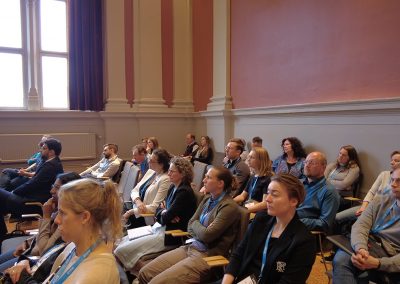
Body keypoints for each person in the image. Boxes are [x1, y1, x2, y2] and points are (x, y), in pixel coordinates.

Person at [138, 166, 240, 284]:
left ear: (220, 183)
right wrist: (200, 228)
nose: (203, 180)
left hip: (206, 256)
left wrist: (197, 227)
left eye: (208, 177)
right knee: (144, 273)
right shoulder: (208, 200)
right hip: (190, 246)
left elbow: (207, 235)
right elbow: (190, 224)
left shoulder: (229, 207)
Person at [18, 178, 122, 283]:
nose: (57, 220)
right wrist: (25, 264)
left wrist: (24, 279)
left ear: (84, 217)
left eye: (62, 213)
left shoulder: (95, 275)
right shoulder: (73, 246)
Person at [221, 173, 316, 284]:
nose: (268, 199)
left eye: (275, 195)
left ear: (293, 201)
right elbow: (238, 254)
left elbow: (289, 281)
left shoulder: (304, 241)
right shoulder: (261, 219)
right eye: (268, 192)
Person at [114, 157, 197, 271]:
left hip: (170, 234)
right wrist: (163, 211)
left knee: (120, 250)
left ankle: (127, 277)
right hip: (158, 227)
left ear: (182, 174)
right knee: (120, 242)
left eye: (172, 171)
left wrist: (164, 213)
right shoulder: (173, 187)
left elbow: (164, 218)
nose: (169, 173)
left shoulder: (184, 192)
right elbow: (159, 209)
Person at [0, 172, 81, 275]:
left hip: (34, 259)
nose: (51, 191)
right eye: (53, 186)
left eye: (57, 188)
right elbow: (42, 235)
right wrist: (27, 242)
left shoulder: (66, 221)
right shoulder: (55, 210)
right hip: (30, 249)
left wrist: (46, 217)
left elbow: (44, 251)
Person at [332, 167, 400, 283]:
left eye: (399, 181)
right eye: (392, 180)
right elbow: (360, 225)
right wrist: (361, 248)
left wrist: (378, 264)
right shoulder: (381, 200)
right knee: (341, 260)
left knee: (361, 274)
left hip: (391, 253)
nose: (393, 184)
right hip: (370, 244)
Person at [0, 138, 64, 240]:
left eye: (44, 148)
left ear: (51, 152)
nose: (40, 150)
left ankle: (2, 236)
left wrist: (13, 192)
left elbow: (32, 184)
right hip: (31, 197)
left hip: (32, 203)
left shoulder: (50, 167)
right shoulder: (50, 162)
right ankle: (3, 235)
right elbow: (33, 182)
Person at [335, 150, 400, 230]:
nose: (392, 162)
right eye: (392, 160)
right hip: (368, 207)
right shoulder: (384, 174)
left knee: (359, 226)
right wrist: (363, 207)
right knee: (337, 218)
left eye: (396, 161)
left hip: (382, 214)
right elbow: (371, 192)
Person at [124, 149, 171, 228]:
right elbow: (134, 190)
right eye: (149, 159)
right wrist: (137, 200)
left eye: (152, 161)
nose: (148, 162)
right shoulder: (151, 172)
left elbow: (154, 207)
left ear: (161, 164)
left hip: (145, 217)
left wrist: (131, 212)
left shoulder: (165, 179)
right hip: (135, 206)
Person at [297, 152, 340, 233]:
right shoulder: (298, 184)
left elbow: (325, 223)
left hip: (303, 231)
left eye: (312, 162)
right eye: (306, 162)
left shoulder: (329, 191)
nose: (307, 165)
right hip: (286, 222)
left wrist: (296, 222)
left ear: (323, 167)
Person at [234, 147, 273, 213]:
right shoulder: (253, 176)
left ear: (261, 160)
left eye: (252, 157)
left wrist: (244, 210)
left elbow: (264, 204)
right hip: (249, 208)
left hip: (258, 213)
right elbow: (242, 196)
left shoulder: (267, 179)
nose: (248, 159)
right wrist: (231, 202)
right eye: (248, 157)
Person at [325, 145, 361, 211]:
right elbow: (323, 179)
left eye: (344, 155)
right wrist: (339, 184)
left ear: (350, 157)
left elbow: (344, 185)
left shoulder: (354, 168)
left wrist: (329, 180)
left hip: (344, 197)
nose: (340, 156)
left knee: (326, 203)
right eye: (340, 153)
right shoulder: (333, 165)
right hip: (329, 193)